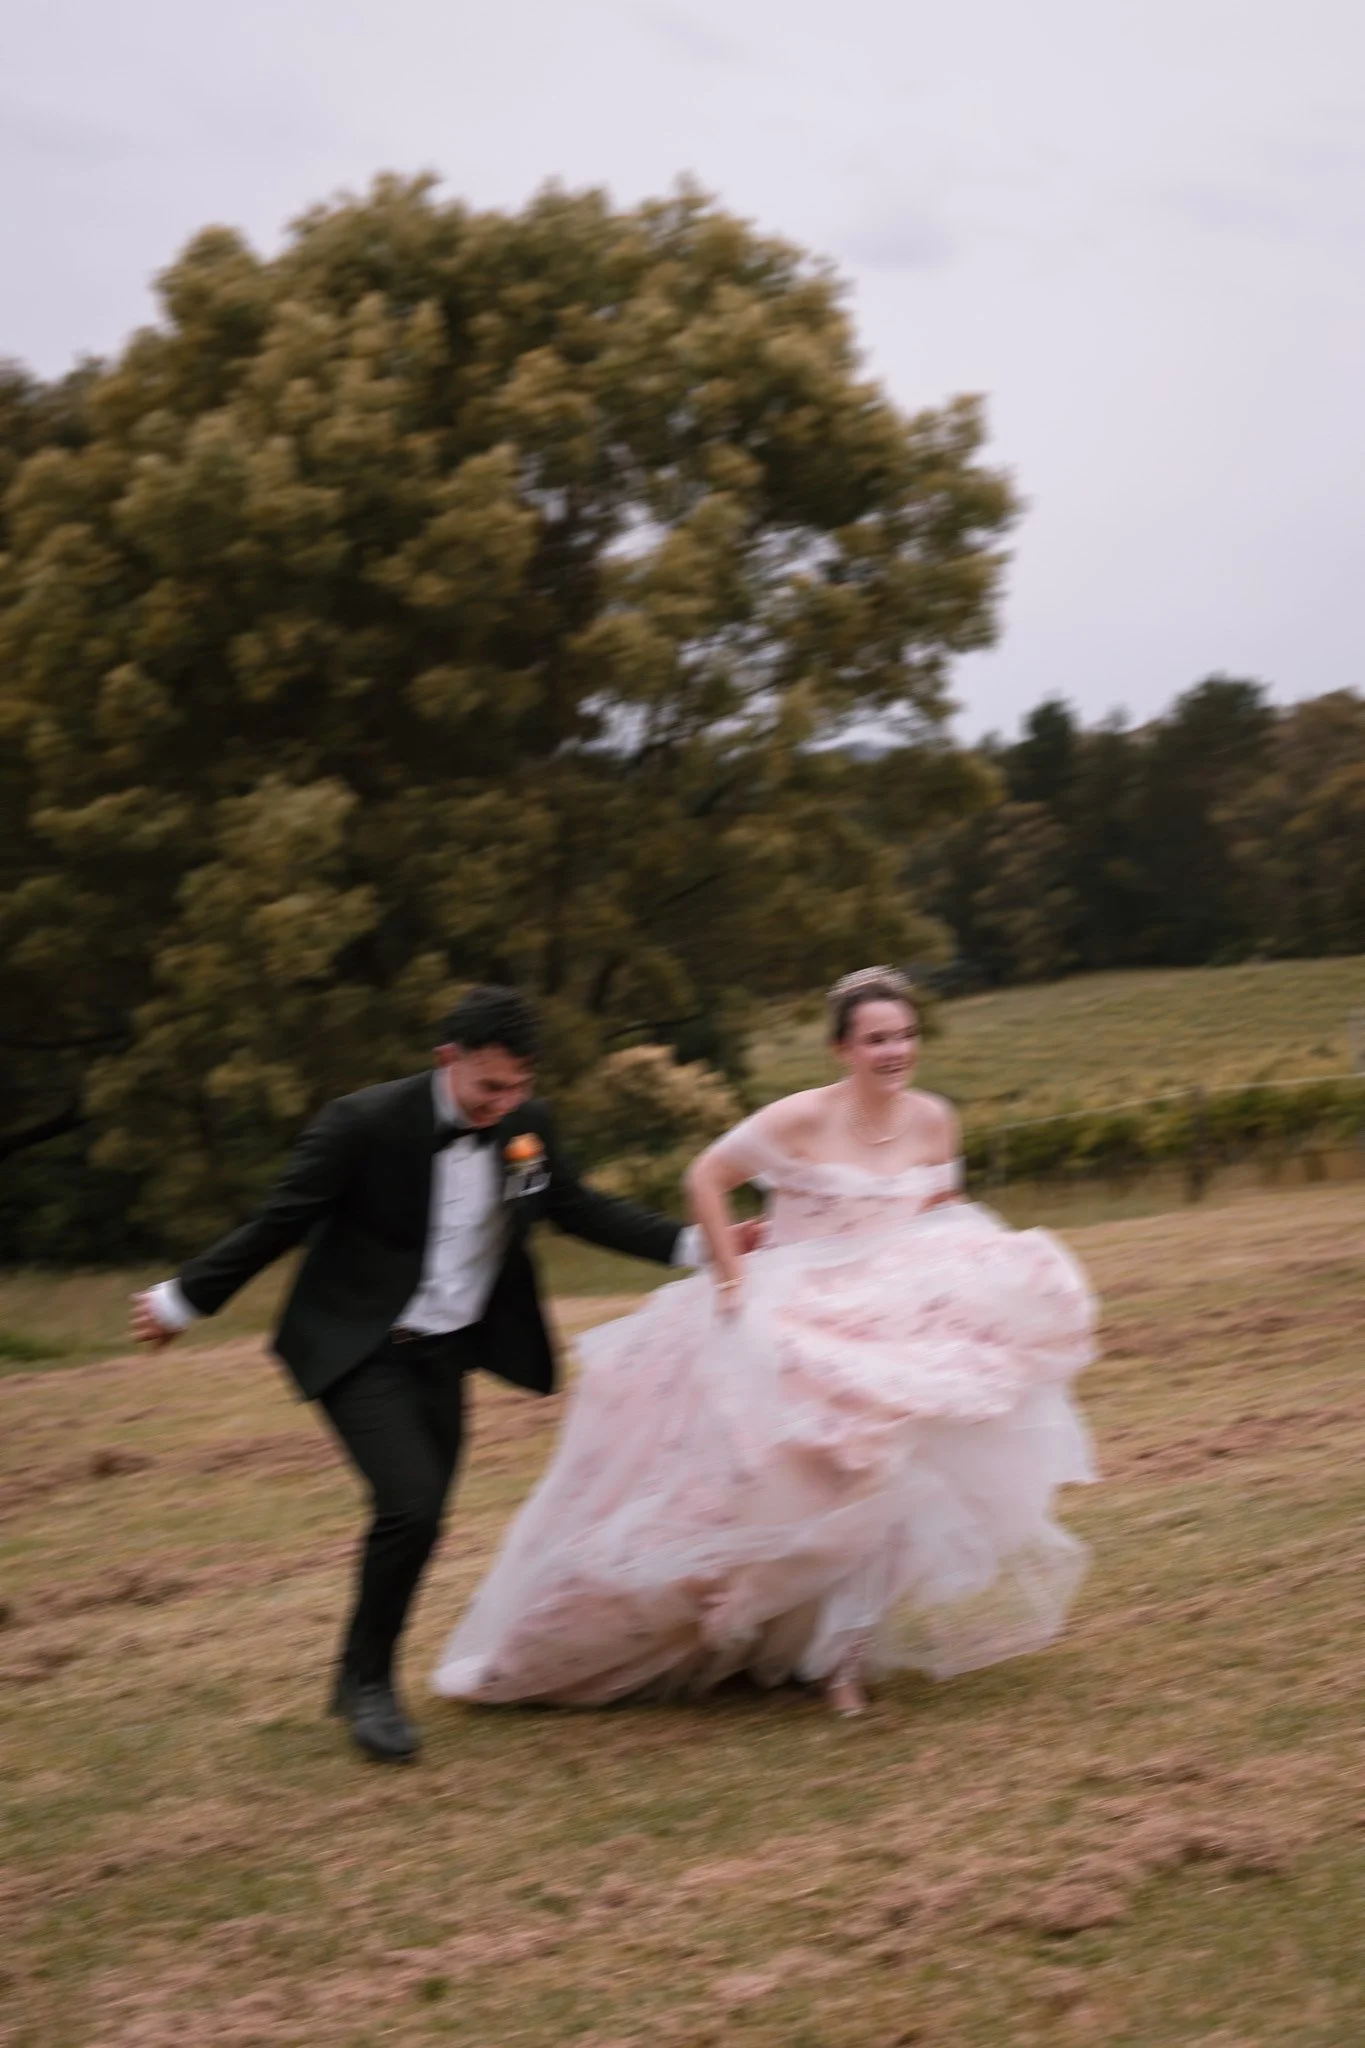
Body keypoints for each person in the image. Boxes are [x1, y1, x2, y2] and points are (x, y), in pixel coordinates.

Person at [432, 967, 1098, 1717]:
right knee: (792, 1487)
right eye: (877, 1038)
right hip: (797, 1313)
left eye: (905, 1035)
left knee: (895, 1472)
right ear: (841, 1048)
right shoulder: (797, 1120)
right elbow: (706, 1177)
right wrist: (726, 1279)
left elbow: (942, 1214)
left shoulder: (934, 1119)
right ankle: (718, 1621)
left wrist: (975, 1285)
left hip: (894, 1318)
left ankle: (840, 1656)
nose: (894, 1051)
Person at [130, 986, 758, 1763]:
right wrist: (180, 1301)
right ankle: (371, 1691)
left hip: (446, 1353)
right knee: (411, 1506)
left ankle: (358, 1671)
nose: (506, 1103)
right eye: (489, 1086)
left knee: (422, 1518)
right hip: (361, 1348)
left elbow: (577, 1207)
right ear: (446, 1060)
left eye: (519, 1087)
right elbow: (278, 1221)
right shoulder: (360, 1124)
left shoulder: (525, 1127)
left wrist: (705, 1245)